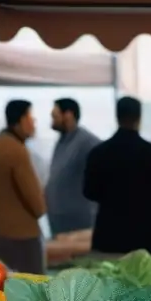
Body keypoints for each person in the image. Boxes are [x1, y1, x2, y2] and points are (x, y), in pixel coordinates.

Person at [85, 97, 151, 256]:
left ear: (116, 117)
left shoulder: (98, 153)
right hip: (143, 238)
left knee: (108, 279)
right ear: (139, 118)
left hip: (107, 236)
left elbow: (89, 192)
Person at [0, 100, 47, 274]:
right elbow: (34, 199)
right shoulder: (16, 150)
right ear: (21, 120)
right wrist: (41, 209)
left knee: (6, 282)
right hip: (23, 233)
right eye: (31, 118)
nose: (34, 123)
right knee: (32, 286)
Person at [45, 98, 100, 236]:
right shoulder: (62, 141)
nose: (52, 120)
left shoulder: (87, 142)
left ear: (68, 115)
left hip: (79, 222)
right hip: (59, 221)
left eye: (54, 116)